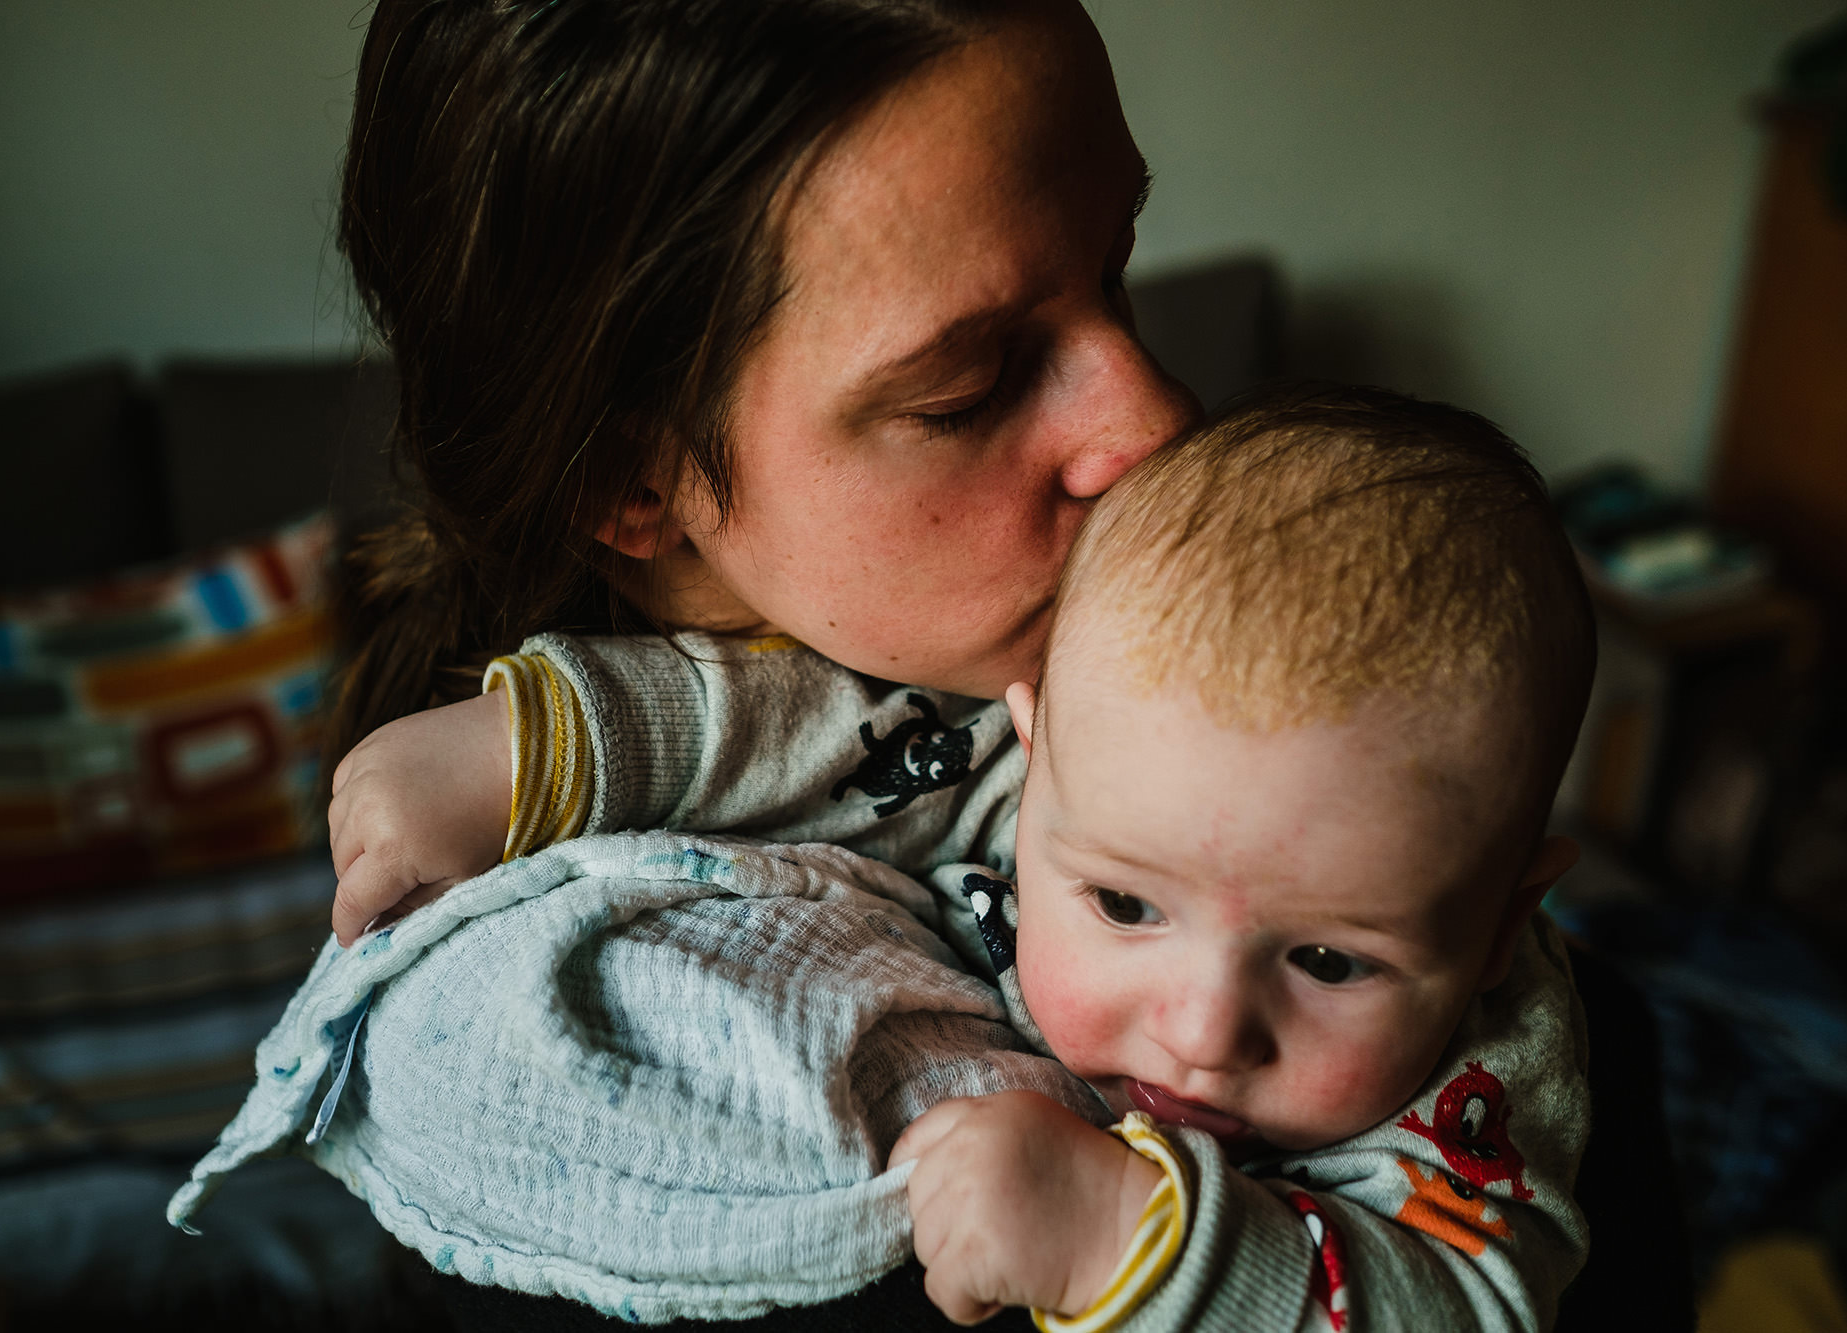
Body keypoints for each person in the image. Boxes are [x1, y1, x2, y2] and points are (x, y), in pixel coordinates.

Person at [329, 385, 1599, 1329]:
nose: (1203, 1031)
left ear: (1498, 922)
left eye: (1328, 958)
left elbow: (1467, 1305)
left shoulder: (1485, 1080)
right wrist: (529, 749)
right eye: (1121, 903)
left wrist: (1124, 1240)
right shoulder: (1040, 759)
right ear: (1033, 747)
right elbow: (804, 732)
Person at [324, 0, 1195, 952]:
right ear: (632, 485)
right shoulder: (594, 979)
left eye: (1115, 267)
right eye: (967, 390)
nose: (1159, 421)